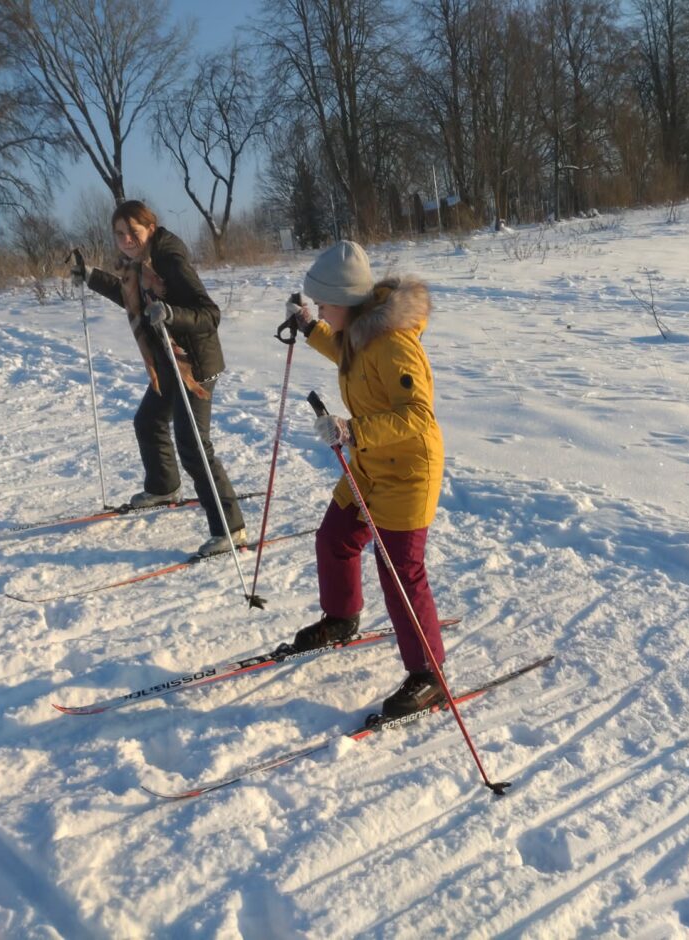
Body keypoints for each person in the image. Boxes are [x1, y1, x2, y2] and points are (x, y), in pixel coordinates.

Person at [287, 240, 447, 717]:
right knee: (334, 538)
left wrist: (353, 429)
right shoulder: (357, 332)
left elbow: (420, 417)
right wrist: (307, 325)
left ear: (347, 301)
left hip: (408, 474)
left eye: (323, 303)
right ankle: (341, 617)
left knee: (400, 573)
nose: (320, 308)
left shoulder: (395, 344)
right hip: (371, 465)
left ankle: (428, 675)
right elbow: (341, 350)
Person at [71, 200, 245, 555]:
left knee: (194, 445)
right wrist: (90, 276)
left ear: (150, 227)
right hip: (169, 361)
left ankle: (231, 528)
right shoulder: (135, 265)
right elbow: (130, 296)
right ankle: (164, 486)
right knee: (148, 421)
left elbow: (209, 314)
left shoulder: (168, 258)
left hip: (194, 363)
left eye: (132, 232)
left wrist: (169, 313)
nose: (126, 240)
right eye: (119, 234)